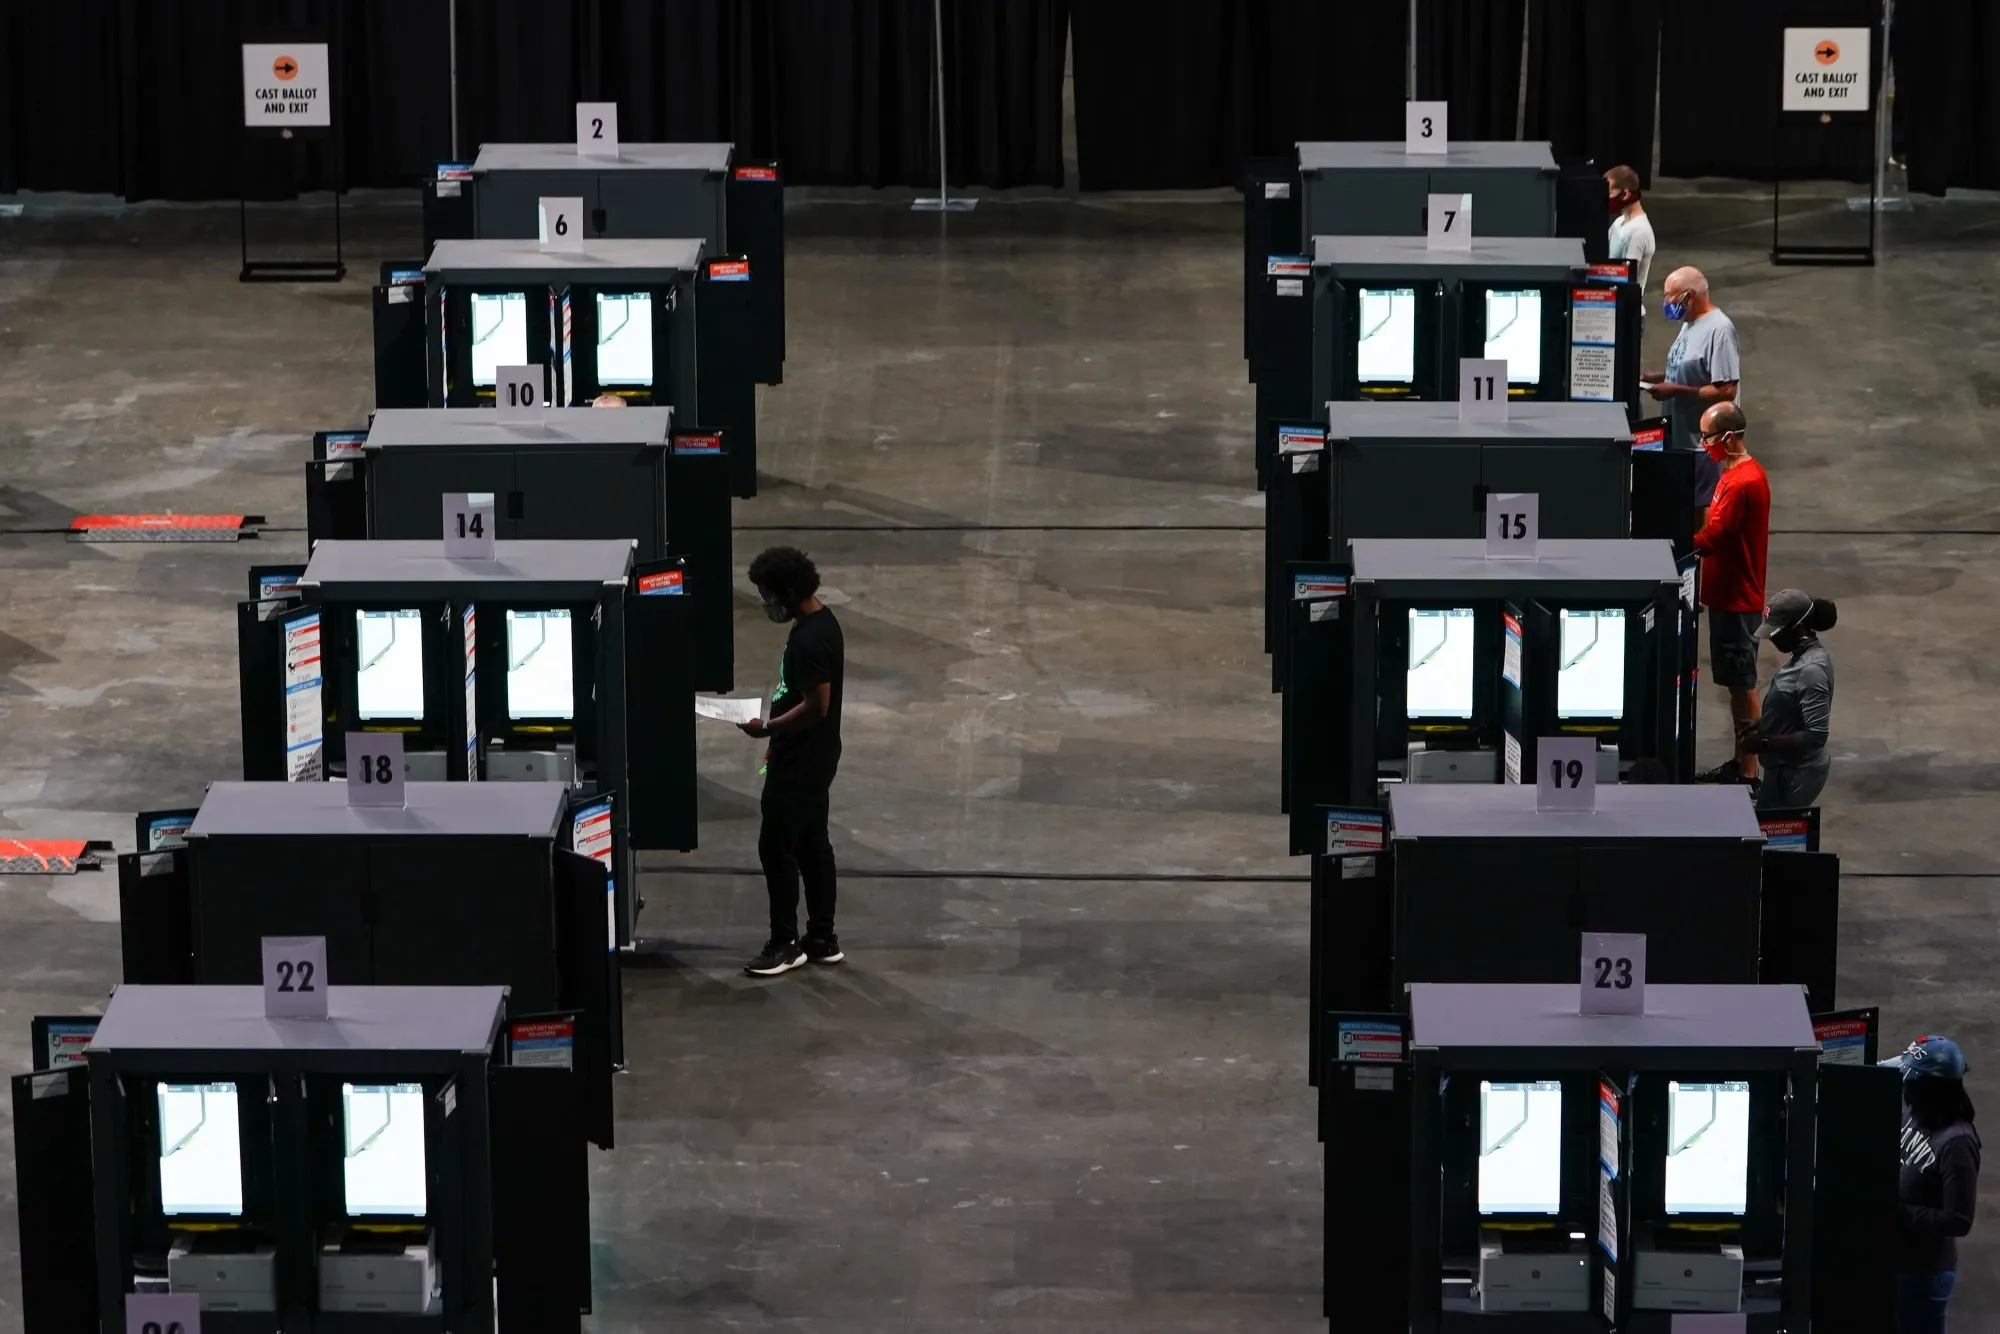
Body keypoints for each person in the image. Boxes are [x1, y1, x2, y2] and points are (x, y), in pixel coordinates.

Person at [737, 547, 846, 977]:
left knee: (776, 847)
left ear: (788, 591)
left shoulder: (809, 640)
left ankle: (784, 943)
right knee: (811, 843)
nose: (765, 604)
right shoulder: (822, 622)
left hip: (802, 761)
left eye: (767, 595)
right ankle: (821, 938)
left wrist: (769, 728)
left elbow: (818, 705)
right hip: (811, 754)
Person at [1690, 403, 1770, 786]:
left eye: (1707, 436)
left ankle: (1749, 772)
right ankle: (1740, 763)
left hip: (1737, 599)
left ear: (1727, 437)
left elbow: (1713, 536)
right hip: (1726, 595)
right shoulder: (1734, 474)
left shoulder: (1742, 483)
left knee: (1744, 685)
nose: (1703, 443)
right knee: (1736, 688)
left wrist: (1675, 543)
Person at [1880, 1035, 1980, 1333]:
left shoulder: (1957, 1143)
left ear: (1926, 1089)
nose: (1903, 1088)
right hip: (1899, 1261)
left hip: (1923, 1274)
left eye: (1908, 1082)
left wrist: (1898, 1213)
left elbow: (1959, 1220)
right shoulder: (1919, 1117)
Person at [1641, 266, 1742, 522]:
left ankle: (1702, 562)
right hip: (1682, 439)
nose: (1665, 302)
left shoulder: (1719, 331)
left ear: (1689, 296)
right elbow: (1688, 370)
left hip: (1701, 446)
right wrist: (1651, 377)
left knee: (1702, 513)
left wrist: (1674, 390)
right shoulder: (1690, 323)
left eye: (1669, 296)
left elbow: (1726, 390)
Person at [1738, 589, 1837, 811]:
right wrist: (1763, 723)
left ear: (1799, 628)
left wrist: (1764, 742)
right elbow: (1794, 709)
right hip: (1781, 772)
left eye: (1777, 632)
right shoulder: (1799, 660)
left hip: (1796, 777)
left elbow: (1816, 735)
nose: (1772, 638)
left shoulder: (1811, 670)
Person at [1605, 165, 1656, 299]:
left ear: (1625, 194)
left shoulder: (1638, 232)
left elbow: (1626, 281)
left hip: (1627, 315)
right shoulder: (1619, 222)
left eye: (1609, 194)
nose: (1606, 198)